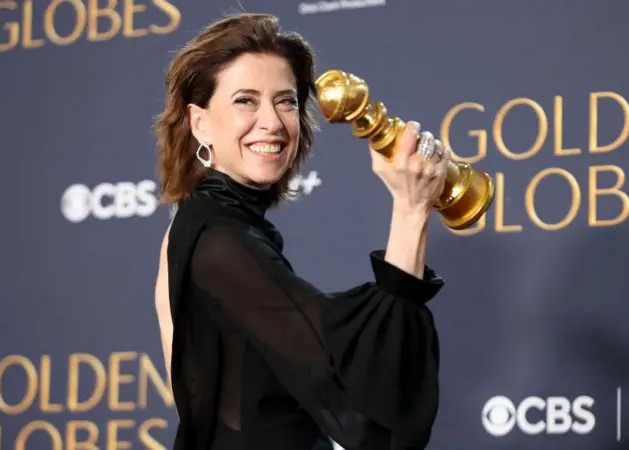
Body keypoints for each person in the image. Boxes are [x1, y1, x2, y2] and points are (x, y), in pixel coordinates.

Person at [153, 12, 451, 450]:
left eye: (286, 101)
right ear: (200, 122)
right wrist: (411, 209)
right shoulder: (218, 242)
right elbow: (356, 392)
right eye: (245, 100)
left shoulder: (206, 225)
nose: (272, 122)